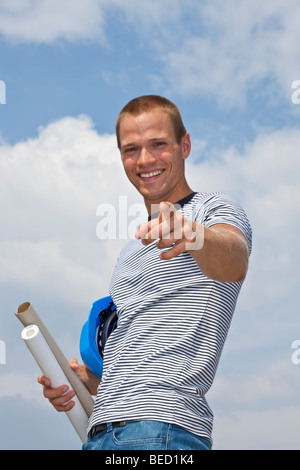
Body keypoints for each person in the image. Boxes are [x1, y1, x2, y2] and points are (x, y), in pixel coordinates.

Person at [38, 95, 252, 450]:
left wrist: (194, 234)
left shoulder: (212, 209)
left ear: (184, 145)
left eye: (158, 145)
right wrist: (82, 382)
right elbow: (141, 358)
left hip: (161, 428)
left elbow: (235, 260)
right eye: (131, 149)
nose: (145, 160)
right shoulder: (132, 248)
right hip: (104, 430)